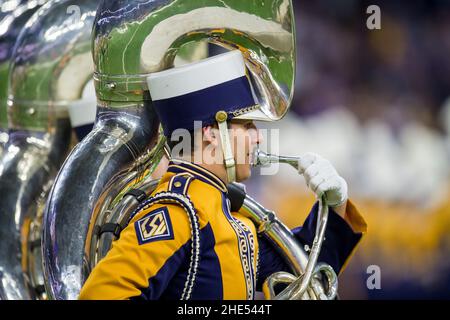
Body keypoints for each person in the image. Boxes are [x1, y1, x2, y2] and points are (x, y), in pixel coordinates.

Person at [79, 50, 367, 300]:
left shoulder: (231, 217)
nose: (257, 139)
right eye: (247, 126)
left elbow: (307, 274)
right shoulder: (176, 214)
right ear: (212, 134)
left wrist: (335, 203)